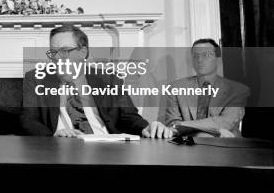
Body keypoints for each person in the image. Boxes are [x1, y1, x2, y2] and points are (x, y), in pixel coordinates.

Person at [21, 25, 173, 138]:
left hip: (105, 145)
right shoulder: (36, 78)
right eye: (53, 52)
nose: (57, 58)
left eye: (65, 51)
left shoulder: (109, 79)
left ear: (83, 52)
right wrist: (54, 135)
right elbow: (28, 119)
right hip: (61, 146)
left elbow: (128, 116)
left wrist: (146, 127)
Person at [165, 38, 249, 137]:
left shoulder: (237, 90)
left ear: (218, 59)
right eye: (195, 56)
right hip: (187, 147)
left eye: (206, 55)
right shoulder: (176, 87)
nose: (199, 60)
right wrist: (204, 133)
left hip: (225, 147)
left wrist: (183, 126)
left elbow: (225, 122)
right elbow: (172, 124)